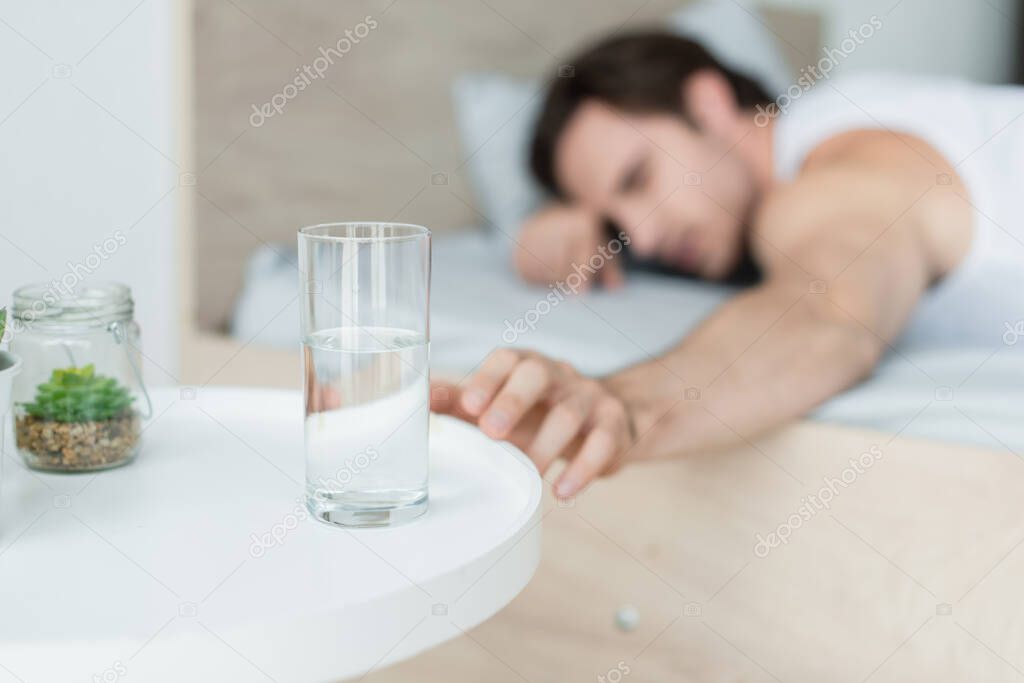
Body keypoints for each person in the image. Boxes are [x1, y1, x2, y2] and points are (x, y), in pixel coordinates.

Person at [430, 31, 1024, 498]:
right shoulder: (860, 112)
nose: (643, 234)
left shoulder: (827, 180)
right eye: (617, 226)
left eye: (639, 178)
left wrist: (623, 408)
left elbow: (828, 310)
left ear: (709, 104)